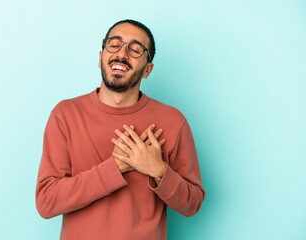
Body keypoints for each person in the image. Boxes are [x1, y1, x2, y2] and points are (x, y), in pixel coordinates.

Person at [36, 19, 205, 240]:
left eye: (135, 49)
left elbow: (192, 204)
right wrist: (115, 168)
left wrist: (159, 170)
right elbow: (46, 202)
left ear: (147, 69)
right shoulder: (65, 115)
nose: (122, 54)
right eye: (114, 45)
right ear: (101, 58)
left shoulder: (173, 121)